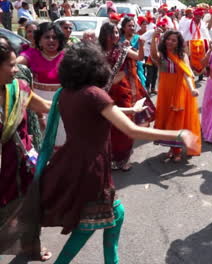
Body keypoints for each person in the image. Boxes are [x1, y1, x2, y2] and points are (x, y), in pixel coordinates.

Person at [39, 42, 198, 264]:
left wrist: (131, 110)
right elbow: (131, 129)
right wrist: (177, 134)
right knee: (89, 226)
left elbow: (103, 112)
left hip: (74, 162)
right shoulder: (94, 94)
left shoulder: (66, 93)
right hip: (91, 169)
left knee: (115, 216)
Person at [0, 35, 52, 262]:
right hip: (3, 170)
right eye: (11, 65)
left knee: (31, 208)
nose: (16, 69)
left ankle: (31, 248)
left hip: (23, 164)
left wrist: (76, 101)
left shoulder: (18, 88)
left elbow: (46, 106)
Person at [98, 22, 149, 171]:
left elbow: (139, 57)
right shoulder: (97, 50)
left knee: (124, 124)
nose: (115, 36)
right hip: (104, 92)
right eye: (111, 33)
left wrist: (140, 45)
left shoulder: (122, 49)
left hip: (122, 91)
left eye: (116, 33)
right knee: (107, 126)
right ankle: (109, 157)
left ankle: (123, 159)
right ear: (104, 35)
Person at [150, 30, 202, 162]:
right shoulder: (162, 55)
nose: (170, 42)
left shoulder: (182, 55)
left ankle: (177, 150)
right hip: (165, 92)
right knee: (167, 119)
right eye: (168, 39)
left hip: (179, 91)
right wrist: (153, 38)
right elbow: (153, 56)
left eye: (174, 40)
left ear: (178, 43)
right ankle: (172, 148)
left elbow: (187, 74)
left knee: (177, 121)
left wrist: (192, 89)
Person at [16, 22, 66, 147]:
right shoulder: (31, 54)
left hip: (62, 105)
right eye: (47, 37)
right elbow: (14, 66)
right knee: (40, 144)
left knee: (62, 143)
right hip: (36, 106)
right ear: (39, 40)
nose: (51, 40)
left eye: (55, 37)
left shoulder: (68, 57)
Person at [180, 7, 210, 79]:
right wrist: (182, 42)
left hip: (199, 45)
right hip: (189, 44)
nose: (198, 18)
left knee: (201, 59)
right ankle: (189, 75)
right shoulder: (188, 22)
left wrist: (209, 40)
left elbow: (205, 33)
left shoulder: (202, 23)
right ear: (194, 15)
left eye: (200, 16)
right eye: (197, 16)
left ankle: (200, 75)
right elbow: (184, 33)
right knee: (189, 60)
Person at [120, 17, 146, 87]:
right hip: (123, 71)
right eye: (129, 26)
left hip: (137, 69)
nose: (132, 28)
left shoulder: (138, 38)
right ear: (123, 27)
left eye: (133, 26)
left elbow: (141, 55)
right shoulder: (119, 38)